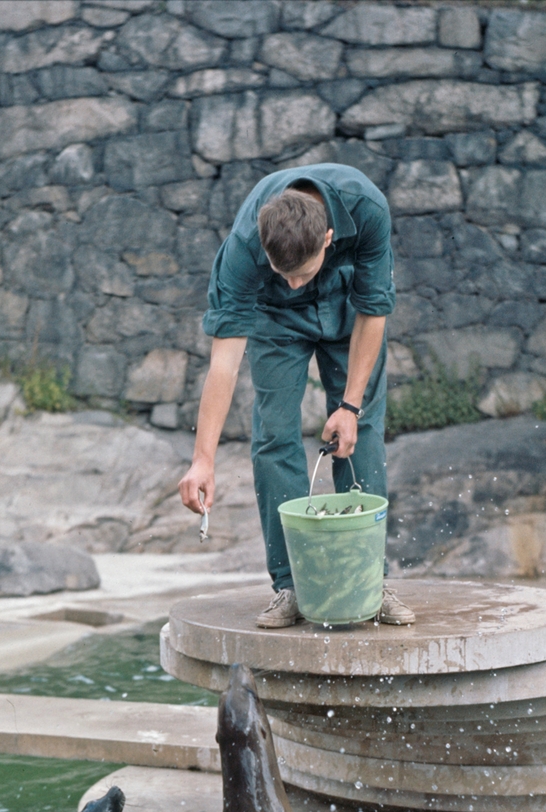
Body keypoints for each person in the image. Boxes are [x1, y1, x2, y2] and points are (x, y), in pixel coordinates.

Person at [178, 163, 415, 629]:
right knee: (274, 436)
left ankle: (368, 581)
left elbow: (374, 312)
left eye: (300, 273)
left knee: (359, 429)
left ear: (328, 238)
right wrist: (202, 459)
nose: (292, 283)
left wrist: (348, 405)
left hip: (350, 310)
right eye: (280, 271)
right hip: (275, 323)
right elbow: (223, 364)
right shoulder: (245, 249)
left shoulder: (366, 209)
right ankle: (291, 586)